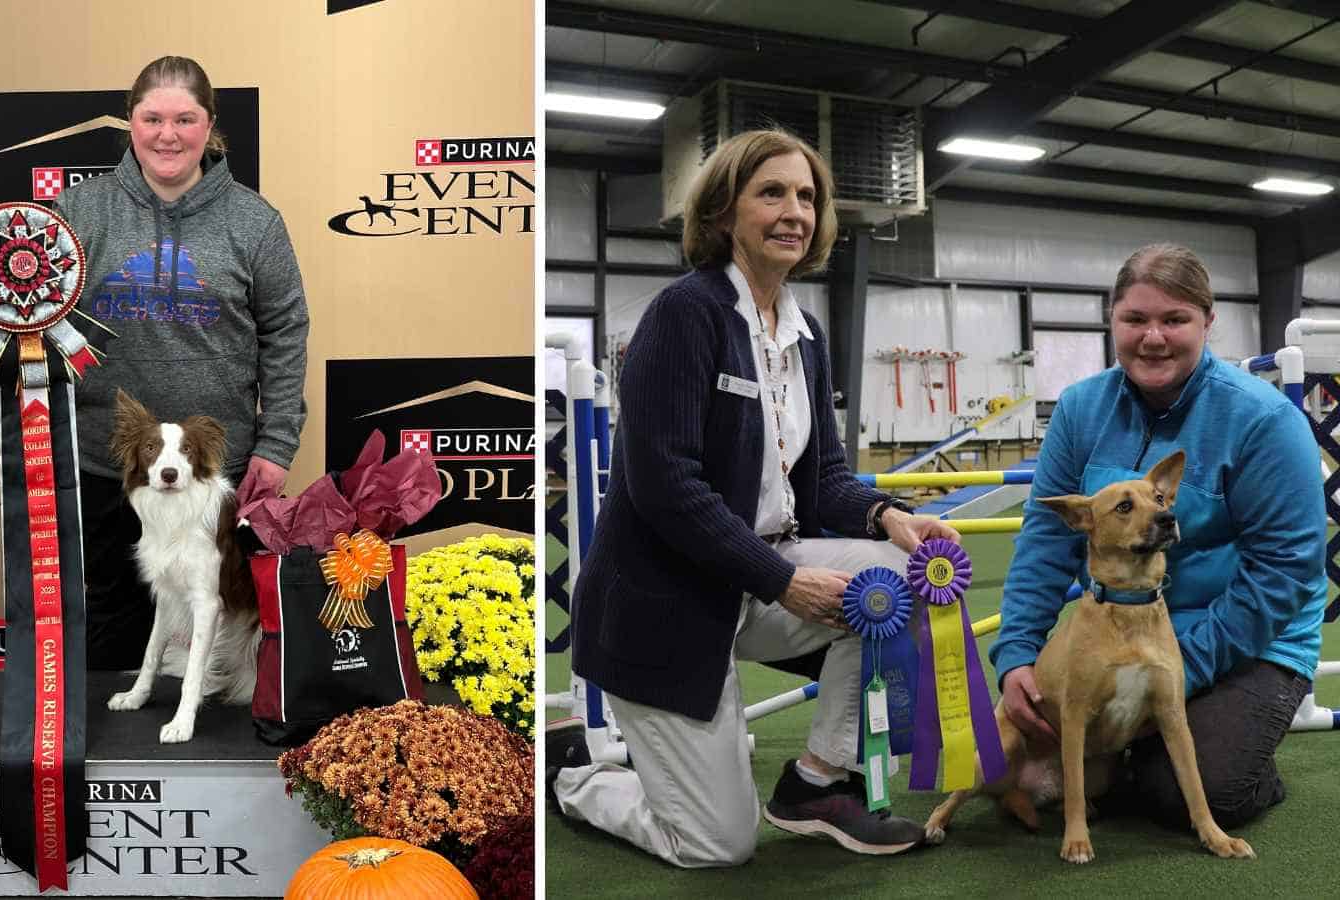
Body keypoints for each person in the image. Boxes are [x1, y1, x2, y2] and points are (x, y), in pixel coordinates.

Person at [547, 128, 960, 867]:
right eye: (771, 193)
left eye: (807, 196)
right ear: (722, 213)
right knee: (717, 846)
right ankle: (580, 775)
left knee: (898, 578)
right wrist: (784, 581)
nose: (794, 211)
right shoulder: (685, 313)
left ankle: (815, 783)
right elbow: (666, 486)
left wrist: (891, 517)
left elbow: (825, 478)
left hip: (755, 582)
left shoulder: (803, 334)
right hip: (662, 607)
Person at [991, 243, 1326, 829]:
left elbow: (1283, 574)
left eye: (1175, 320)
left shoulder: (1265, 421)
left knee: (1202, 792)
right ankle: (1135, 751)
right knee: (1028, 761)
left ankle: (1235, 763)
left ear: (1208, 322)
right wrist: (1017, 652)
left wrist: (1175, 674)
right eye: (1135, 319)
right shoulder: (1078, 409)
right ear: (1112, 321)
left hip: (1249, 641)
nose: (1153, 338)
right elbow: (1046, 540)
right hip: (1120, 629)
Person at [55, 55, 309, 670]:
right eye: (153, 118)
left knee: (218, 620)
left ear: (210, 126)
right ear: (130, 123)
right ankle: (113, 752)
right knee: (113, 625)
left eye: (185, 119)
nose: (168, 135)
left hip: (216, 471)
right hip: (105, 464)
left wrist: (275, 449)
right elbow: (36, 328)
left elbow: (286, 333)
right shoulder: (77, 212)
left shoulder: (256, 223)